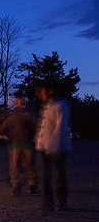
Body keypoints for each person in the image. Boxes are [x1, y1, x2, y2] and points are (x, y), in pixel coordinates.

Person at [34, 80, 71, 212]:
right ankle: (47, 201)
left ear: (50, 90)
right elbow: (42, 126)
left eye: (42, 91)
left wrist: (53, 144)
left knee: (59, 174)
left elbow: (60, 127)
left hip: (59, 146)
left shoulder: (61, 106)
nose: (40, 94)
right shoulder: (45, 106)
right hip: (44, 147)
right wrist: (38, 140)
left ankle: (61, 201)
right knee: (45, 175)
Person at [0, 92, 38, 196]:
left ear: (24, 99)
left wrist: (36, 137)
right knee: (15, 166)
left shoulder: (31, 111)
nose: (16, 101)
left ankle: (32, 184)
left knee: (30, 165)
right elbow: (7, 123)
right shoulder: (15, 112)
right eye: (16, 99)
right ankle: (16, 185)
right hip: (15, 143)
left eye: (18, 99)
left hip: (28, 143)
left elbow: (38, 125)